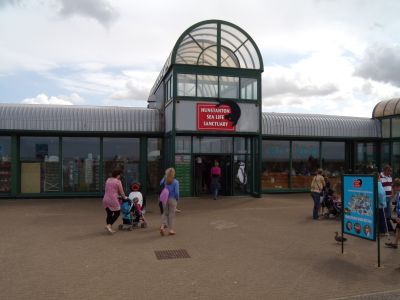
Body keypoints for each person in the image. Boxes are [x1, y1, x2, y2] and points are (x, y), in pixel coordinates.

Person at [102, 169, 127, 234]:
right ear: (118, 175)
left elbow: (109, 190)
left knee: (109, 213)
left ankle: (109, 228)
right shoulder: (118, 181)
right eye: (120, 175)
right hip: (113, 199)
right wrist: (124, 197)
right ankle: (109, 225)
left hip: (105, 199)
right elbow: (121, 192)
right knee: (117, 213)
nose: (120, 176)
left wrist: (117, 195)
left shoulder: (108, 180)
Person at [159, 167, 179, 236]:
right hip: (172, 199)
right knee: (171, 215)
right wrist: (177, 199)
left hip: (165, 199)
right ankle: (171, 230)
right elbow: (176, 193)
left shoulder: (165, 180)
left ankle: (162, 226)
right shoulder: (176, 182)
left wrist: (165, 176)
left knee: (165, 213)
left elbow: (160, 183)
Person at [385, 179, 400, 249]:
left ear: (397, 187)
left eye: (394, 188)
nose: (393, 189)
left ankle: (395, 244)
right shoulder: (398, 193)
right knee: (398, 229)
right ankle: (395, 243)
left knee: (398, 228)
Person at [379, 165, 393, 232]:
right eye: (389, 171)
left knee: (388, 214)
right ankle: (382, 229)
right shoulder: (380, 177)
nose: (390, 172)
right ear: (385, 170)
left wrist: (392, 193)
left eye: (391, 171)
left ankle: (387, 228)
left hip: (389, 198)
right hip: (383, 198)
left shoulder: (390, 177)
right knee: (383, 214)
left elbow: (391, 186)